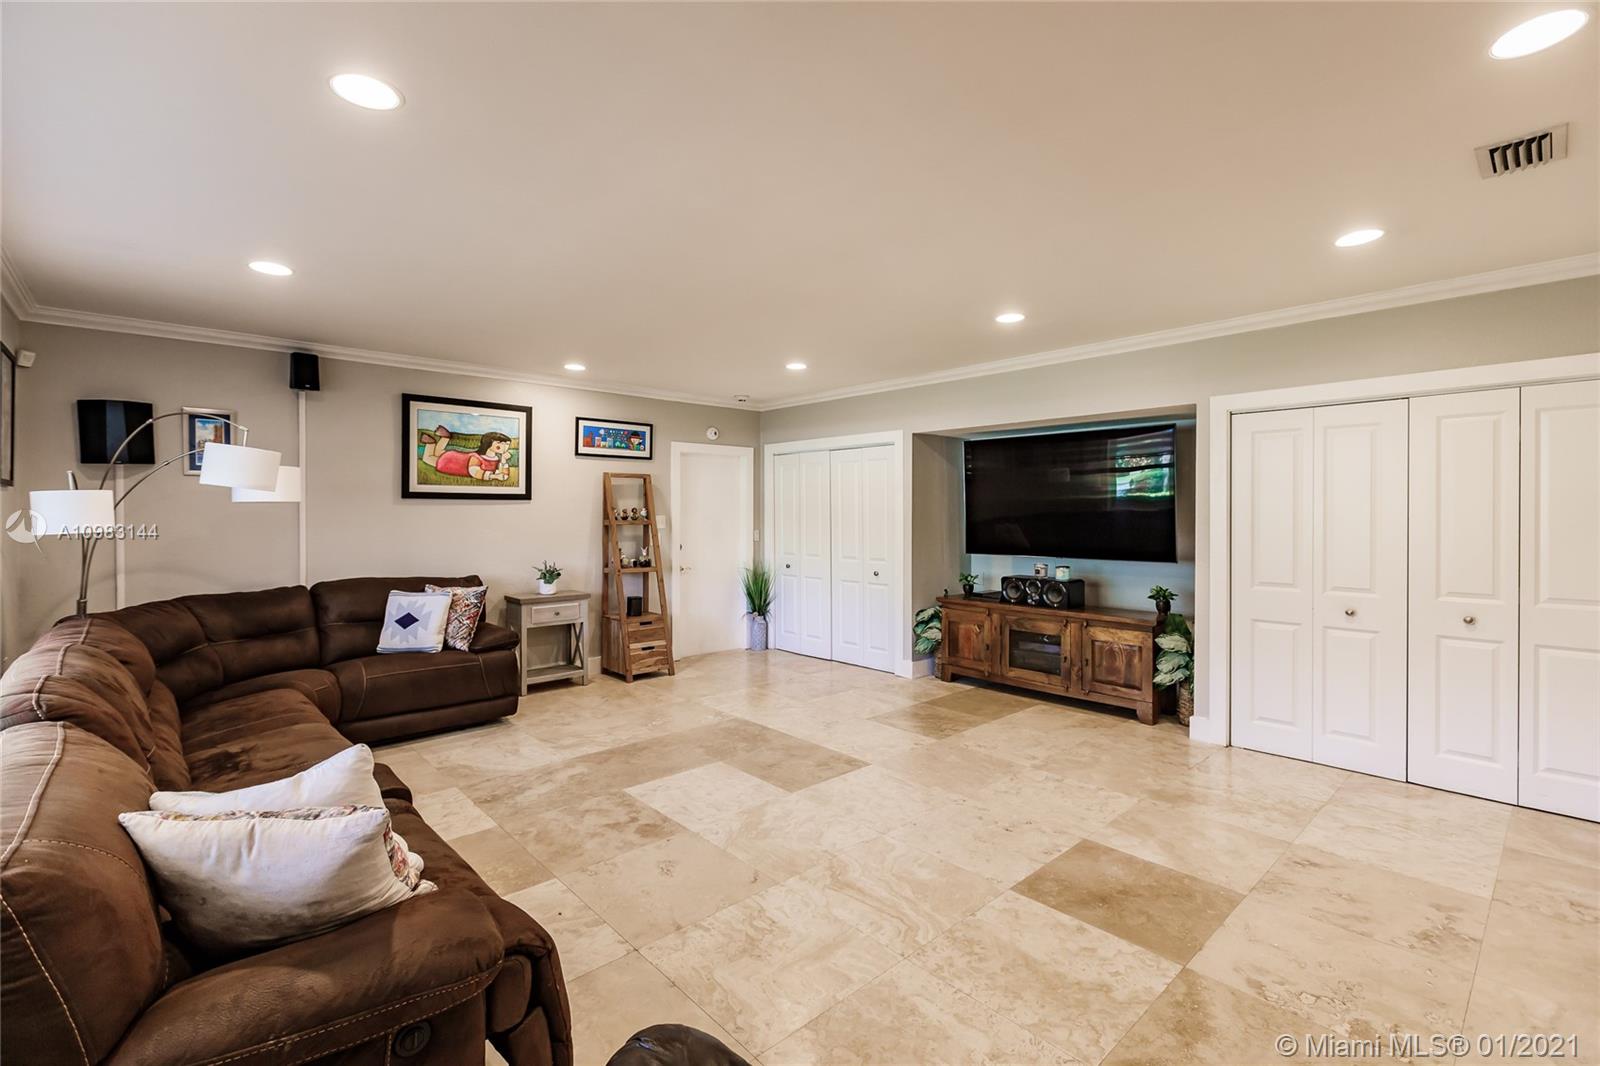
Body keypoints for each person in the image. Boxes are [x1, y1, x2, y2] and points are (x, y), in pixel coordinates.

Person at [419, 425, 513, 481]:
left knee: (439, 453)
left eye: (507, 444)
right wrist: (494, 476)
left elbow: (504, 476)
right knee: (428, 457)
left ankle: (445, 438)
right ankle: (431, 443)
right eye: (500, 443)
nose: (505, 447)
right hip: (451, 462)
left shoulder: (496, 460)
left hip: (454, 457)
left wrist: (504, 460)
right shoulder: (477, 458)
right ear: (489, 444)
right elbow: (474, 472)